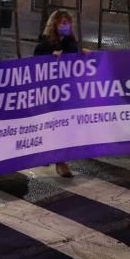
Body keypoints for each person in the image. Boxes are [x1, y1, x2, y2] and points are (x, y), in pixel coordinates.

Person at [35, 10, 89, 177]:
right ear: (54, 25)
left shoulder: (71, 41)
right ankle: (46, 150)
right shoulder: (44, 42)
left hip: (66, 92)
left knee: (64, 126)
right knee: (50, 125)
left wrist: (83, 54)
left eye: (67, 23)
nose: (65, 26)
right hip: (50, 92)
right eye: (62, 23)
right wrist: (50, 56)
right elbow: (36, 60)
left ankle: (61, 161)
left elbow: (75, 58)